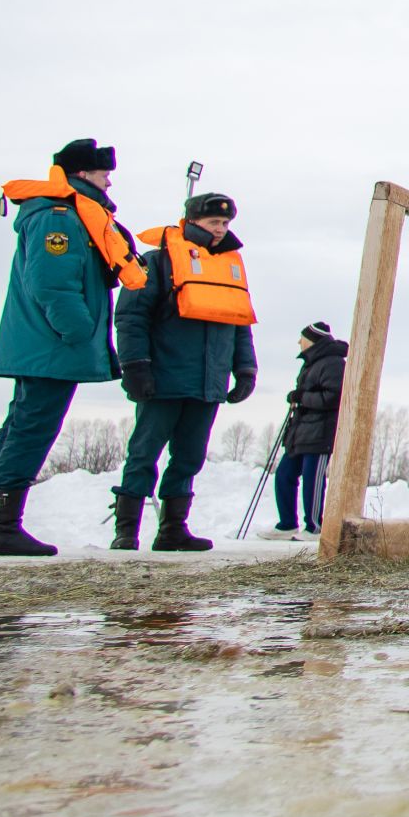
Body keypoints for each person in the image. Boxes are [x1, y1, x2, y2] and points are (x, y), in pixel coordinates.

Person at [0, 139, 148, 556]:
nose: (110, 180)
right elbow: (52, 284)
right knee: (33, 428)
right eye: (104, 172)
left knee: (20, 424)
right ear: (83, 173)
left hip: (42, 344)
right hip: (52, 345)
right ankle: (3, 527)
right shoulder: (60, 216)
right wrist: (78, 331)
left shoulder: (66, 213)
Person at [110, 192, 258, 551]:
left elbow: (240, 323)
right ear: (190, 222)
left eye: (225, 224)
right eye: (213, 223)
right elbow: (131, 317)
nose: (221, 230)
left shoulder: (231, 268)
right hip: (163, 377)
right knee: (144, 453)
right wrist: (135, 365)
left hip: (209, 380)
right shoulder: (157, 262)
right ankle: (126, 530)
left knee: (190, 456)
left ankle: (173, 529)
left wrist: (246, 367)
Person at [258, 321, 345, 540]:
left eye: (302, 338)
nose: (299, 342)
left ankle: (314, 527)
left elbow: (334, 397)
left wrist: (302, 397)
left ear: (313, 341)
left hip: (320, 432)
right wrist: (297, 397)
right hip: (301, 431)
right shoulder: (311, 363)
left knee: (312, 479)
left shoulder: (333, 363)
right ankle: (287, 524)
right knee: (284, 474)